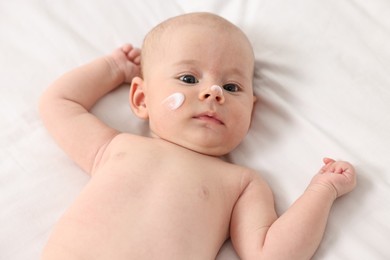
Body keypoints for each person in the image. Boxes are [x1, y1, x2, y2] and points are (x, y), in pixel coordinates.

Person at [39, 12, 356, 260]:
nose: (213, 92)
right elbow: (59, 104)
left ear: (251, 112)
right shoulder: (116, 147)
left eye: (232, 87)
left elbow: (272, 253)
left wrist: (321, 191)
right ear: (141, 99)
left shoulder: (241, 183)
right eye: (189, 78)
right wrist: (114, 67)